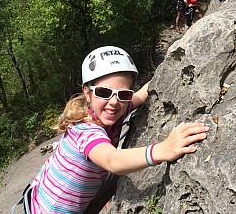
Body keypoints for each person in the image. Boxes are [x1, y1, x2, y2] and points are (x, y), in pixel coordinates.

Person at [22, 46, 209, 214]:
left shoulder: (115, 109)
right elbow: (113, 161)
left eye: (123, 94)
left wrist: (171, 67)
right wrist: (162, 150)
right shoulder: (85, 130)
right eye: (104, 92)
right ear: (87, 93)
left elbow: (142, 94)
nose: (114, 102)